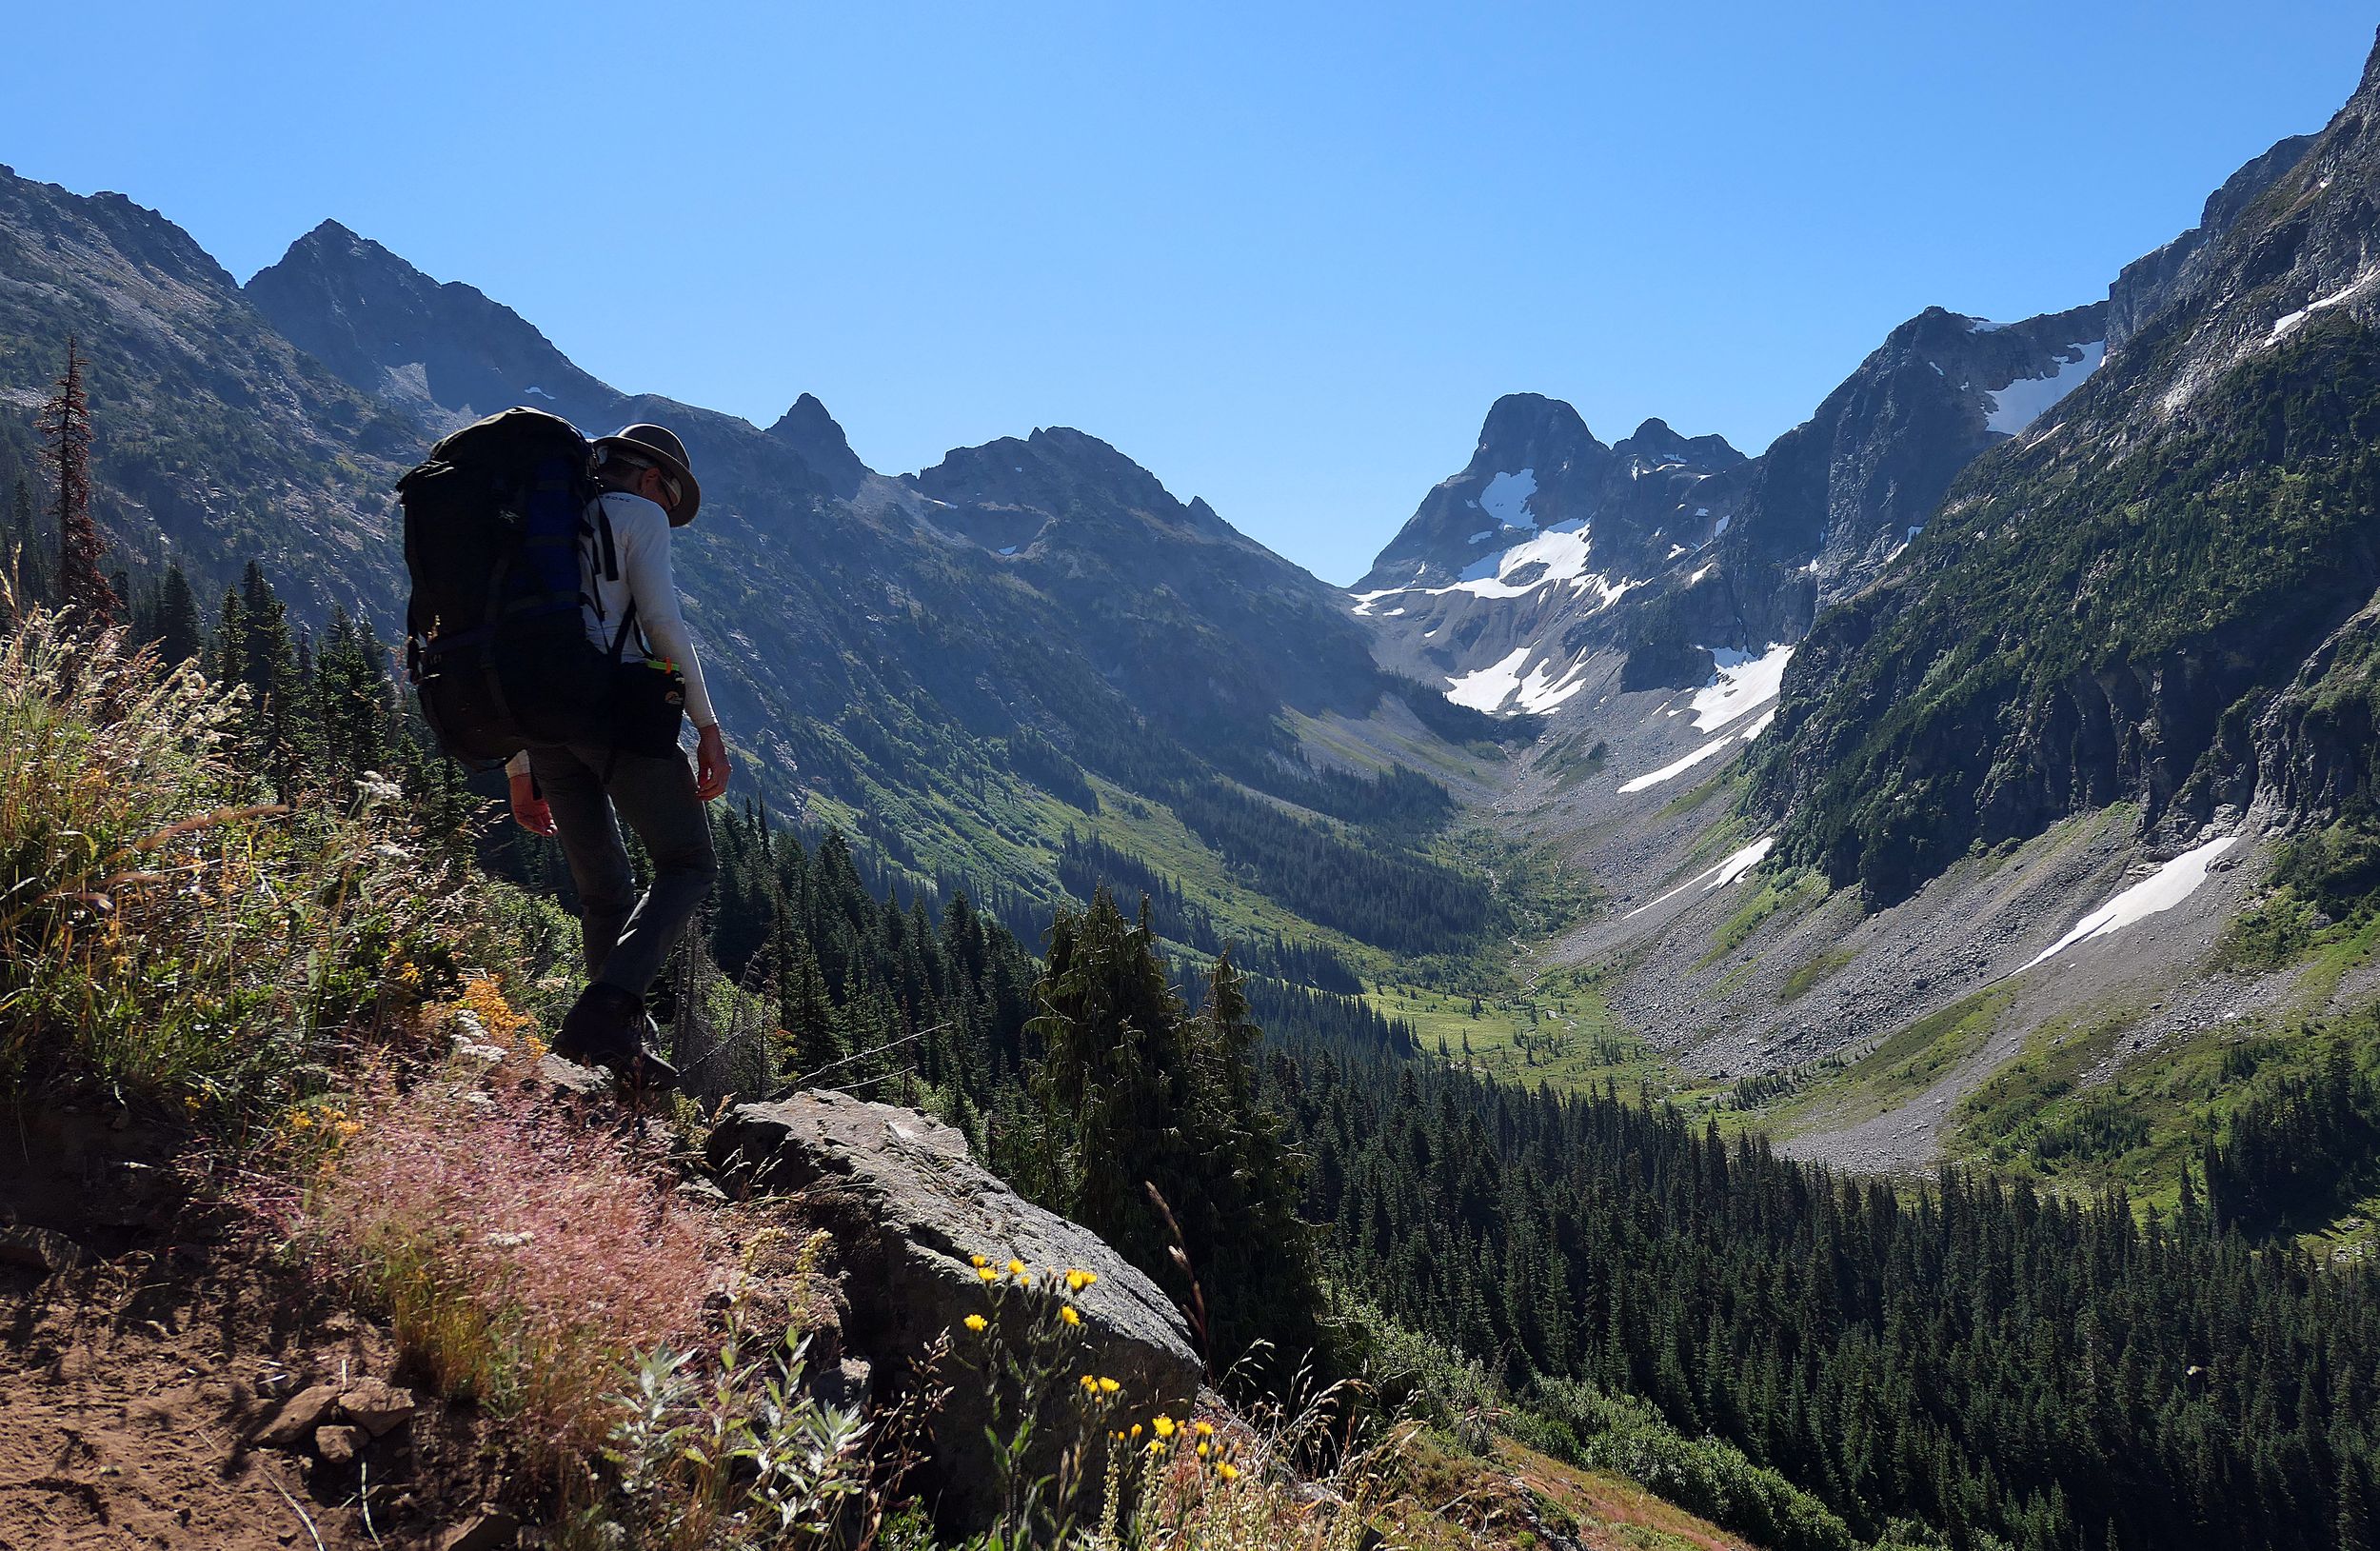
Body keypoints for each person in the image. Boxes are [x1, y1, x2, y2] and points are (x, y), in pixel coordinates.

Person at [505, 423, 729, 1089]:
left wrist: (519, 770)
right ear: (653, 478)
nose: (668, 509)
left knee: (604, 888)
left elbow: (514, 640)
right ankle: (606, 1012)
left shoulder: (542, 521)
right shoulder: (639, 515)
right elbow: (661, 621)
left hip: (542, 724)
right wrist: (706, 724)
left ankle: (611, 1052)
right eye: (669, 494)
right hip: (613, 712)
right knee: (689, 862)